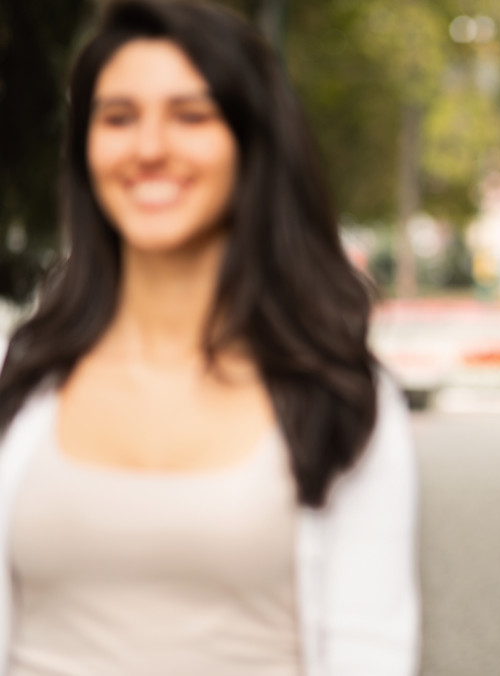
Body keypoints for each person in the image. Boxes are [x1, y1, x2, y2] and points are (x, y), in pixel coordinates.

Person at [0, 1, 419, 674]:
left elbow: (368, 653)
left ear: (252, 144)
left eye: (191, 115)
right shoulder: (20, 379)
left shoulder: (342, 399)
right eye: (118, 117)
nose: (149, 147)